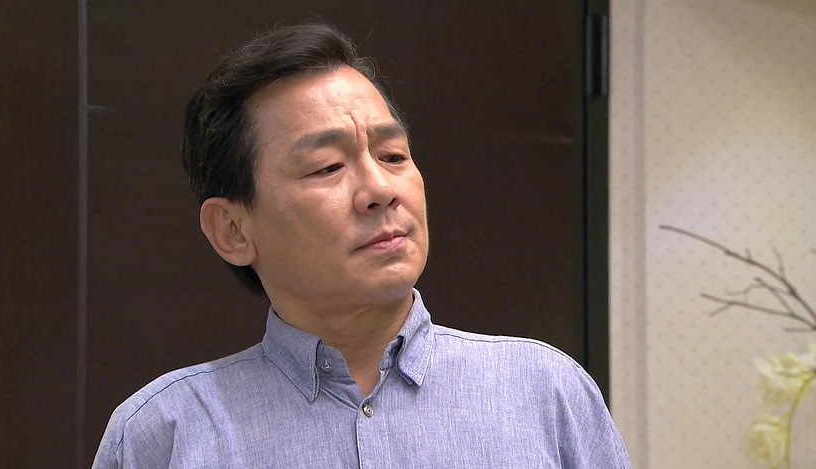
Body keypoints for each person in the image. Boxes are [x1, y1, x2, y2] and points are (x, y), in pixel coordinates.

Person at [93, 23, 630, 468]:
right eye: (327, 167)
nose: (379, 189)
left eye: (393, 156)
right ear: (233, 230)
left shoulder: (543, 393)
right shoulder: (165, 433)